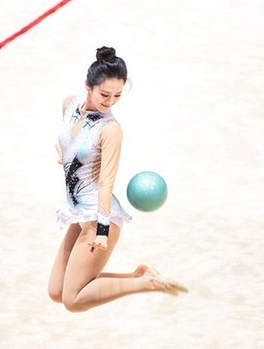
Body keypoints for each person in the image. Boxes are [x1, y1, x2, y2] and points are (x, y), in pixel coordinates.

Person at [48, 46, 187, 312]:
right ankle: (140, 276)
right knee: (57, 290)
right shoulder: (69, 105)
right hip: (79, 212)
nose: (110, 101)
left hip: (101, 216)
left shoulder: (110, 129)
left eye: (117, 95)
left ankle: (147, 284)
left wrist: (102, 230)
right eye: (105, 94)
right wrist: (64, 155)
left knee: (73, 300)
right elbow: (69, 139)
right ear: (88, 86)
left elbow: (106, 183)